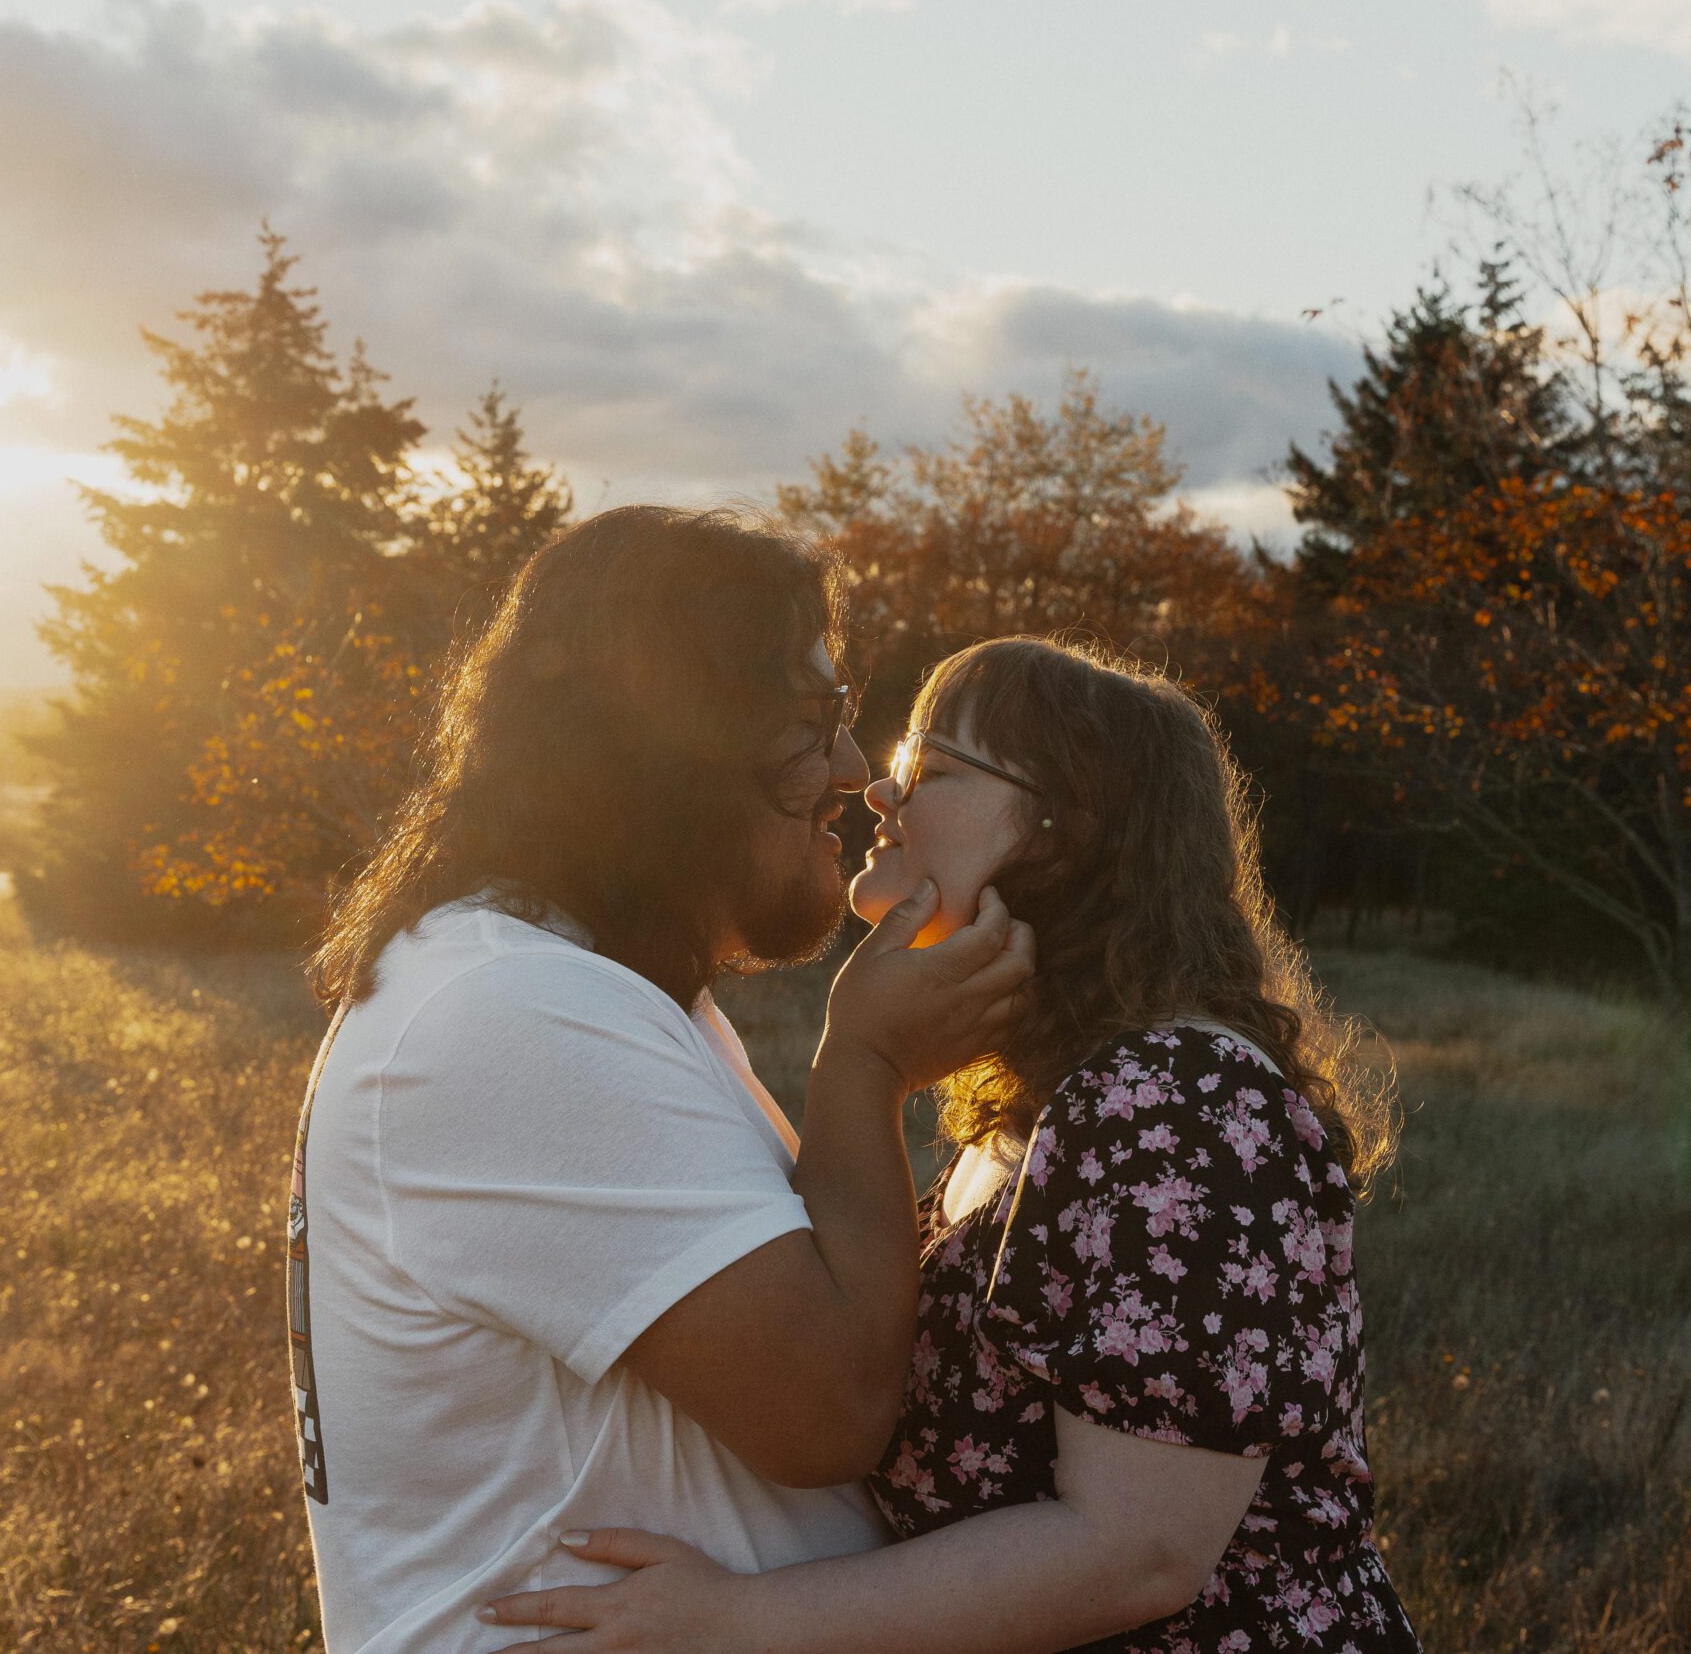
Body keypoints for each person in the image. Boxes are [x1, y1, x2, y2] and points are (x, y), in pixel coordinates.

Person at [480, 635, 1421, 1653]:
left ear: (1068, 830)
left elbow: (1137, 1550)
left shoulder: (1182, 1098)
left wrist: (737, 1620)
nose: (879, 791)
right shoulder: (1042, 1103)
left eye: (933, 770)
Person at [288, 507, 1036, 1652]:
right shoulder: (515, 1011)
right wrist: (866, 1064)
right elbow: (831, 1409)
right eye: (812, 720)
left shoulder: (596, 988)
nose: (850, 771)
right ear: (666, 747)